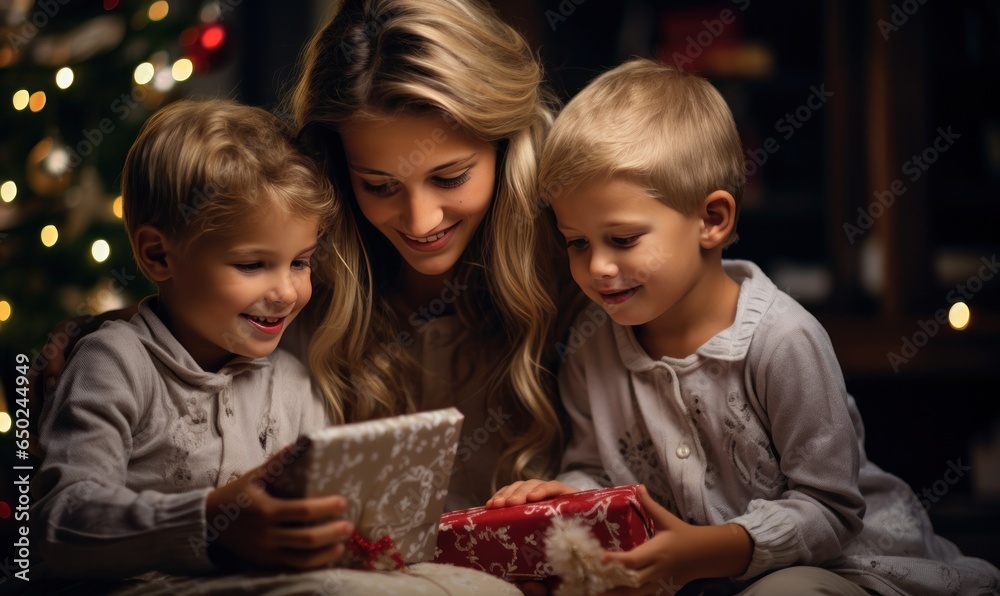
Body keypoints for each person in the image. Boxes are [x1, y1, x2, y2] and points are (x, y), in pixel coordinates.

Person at [486, 58, 1000, 595]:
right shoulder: (591, 346)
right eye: (577, 242)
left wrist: (706, 551)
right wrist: (564, 500)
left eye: (622, 239)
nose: (596, 268)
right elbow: (594, 467)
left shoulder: (783, 340)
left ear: (712, 220)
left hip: (839, 569)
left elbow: (831, 509)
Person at [29, 99, 349, 577]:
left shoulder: (294, 383)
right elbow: (58, 525)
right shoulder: (114, 363)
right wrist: (208, 522)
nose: (286, 292)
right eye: (252, 264)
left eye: (300, 262)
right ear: (159, 255)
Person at [286, 0, 575, 511]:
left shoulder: (582, 262)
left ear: (507, 147)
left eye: (449, 178)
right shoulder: (297, 283)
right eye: (379, 185)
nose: (420, 223)